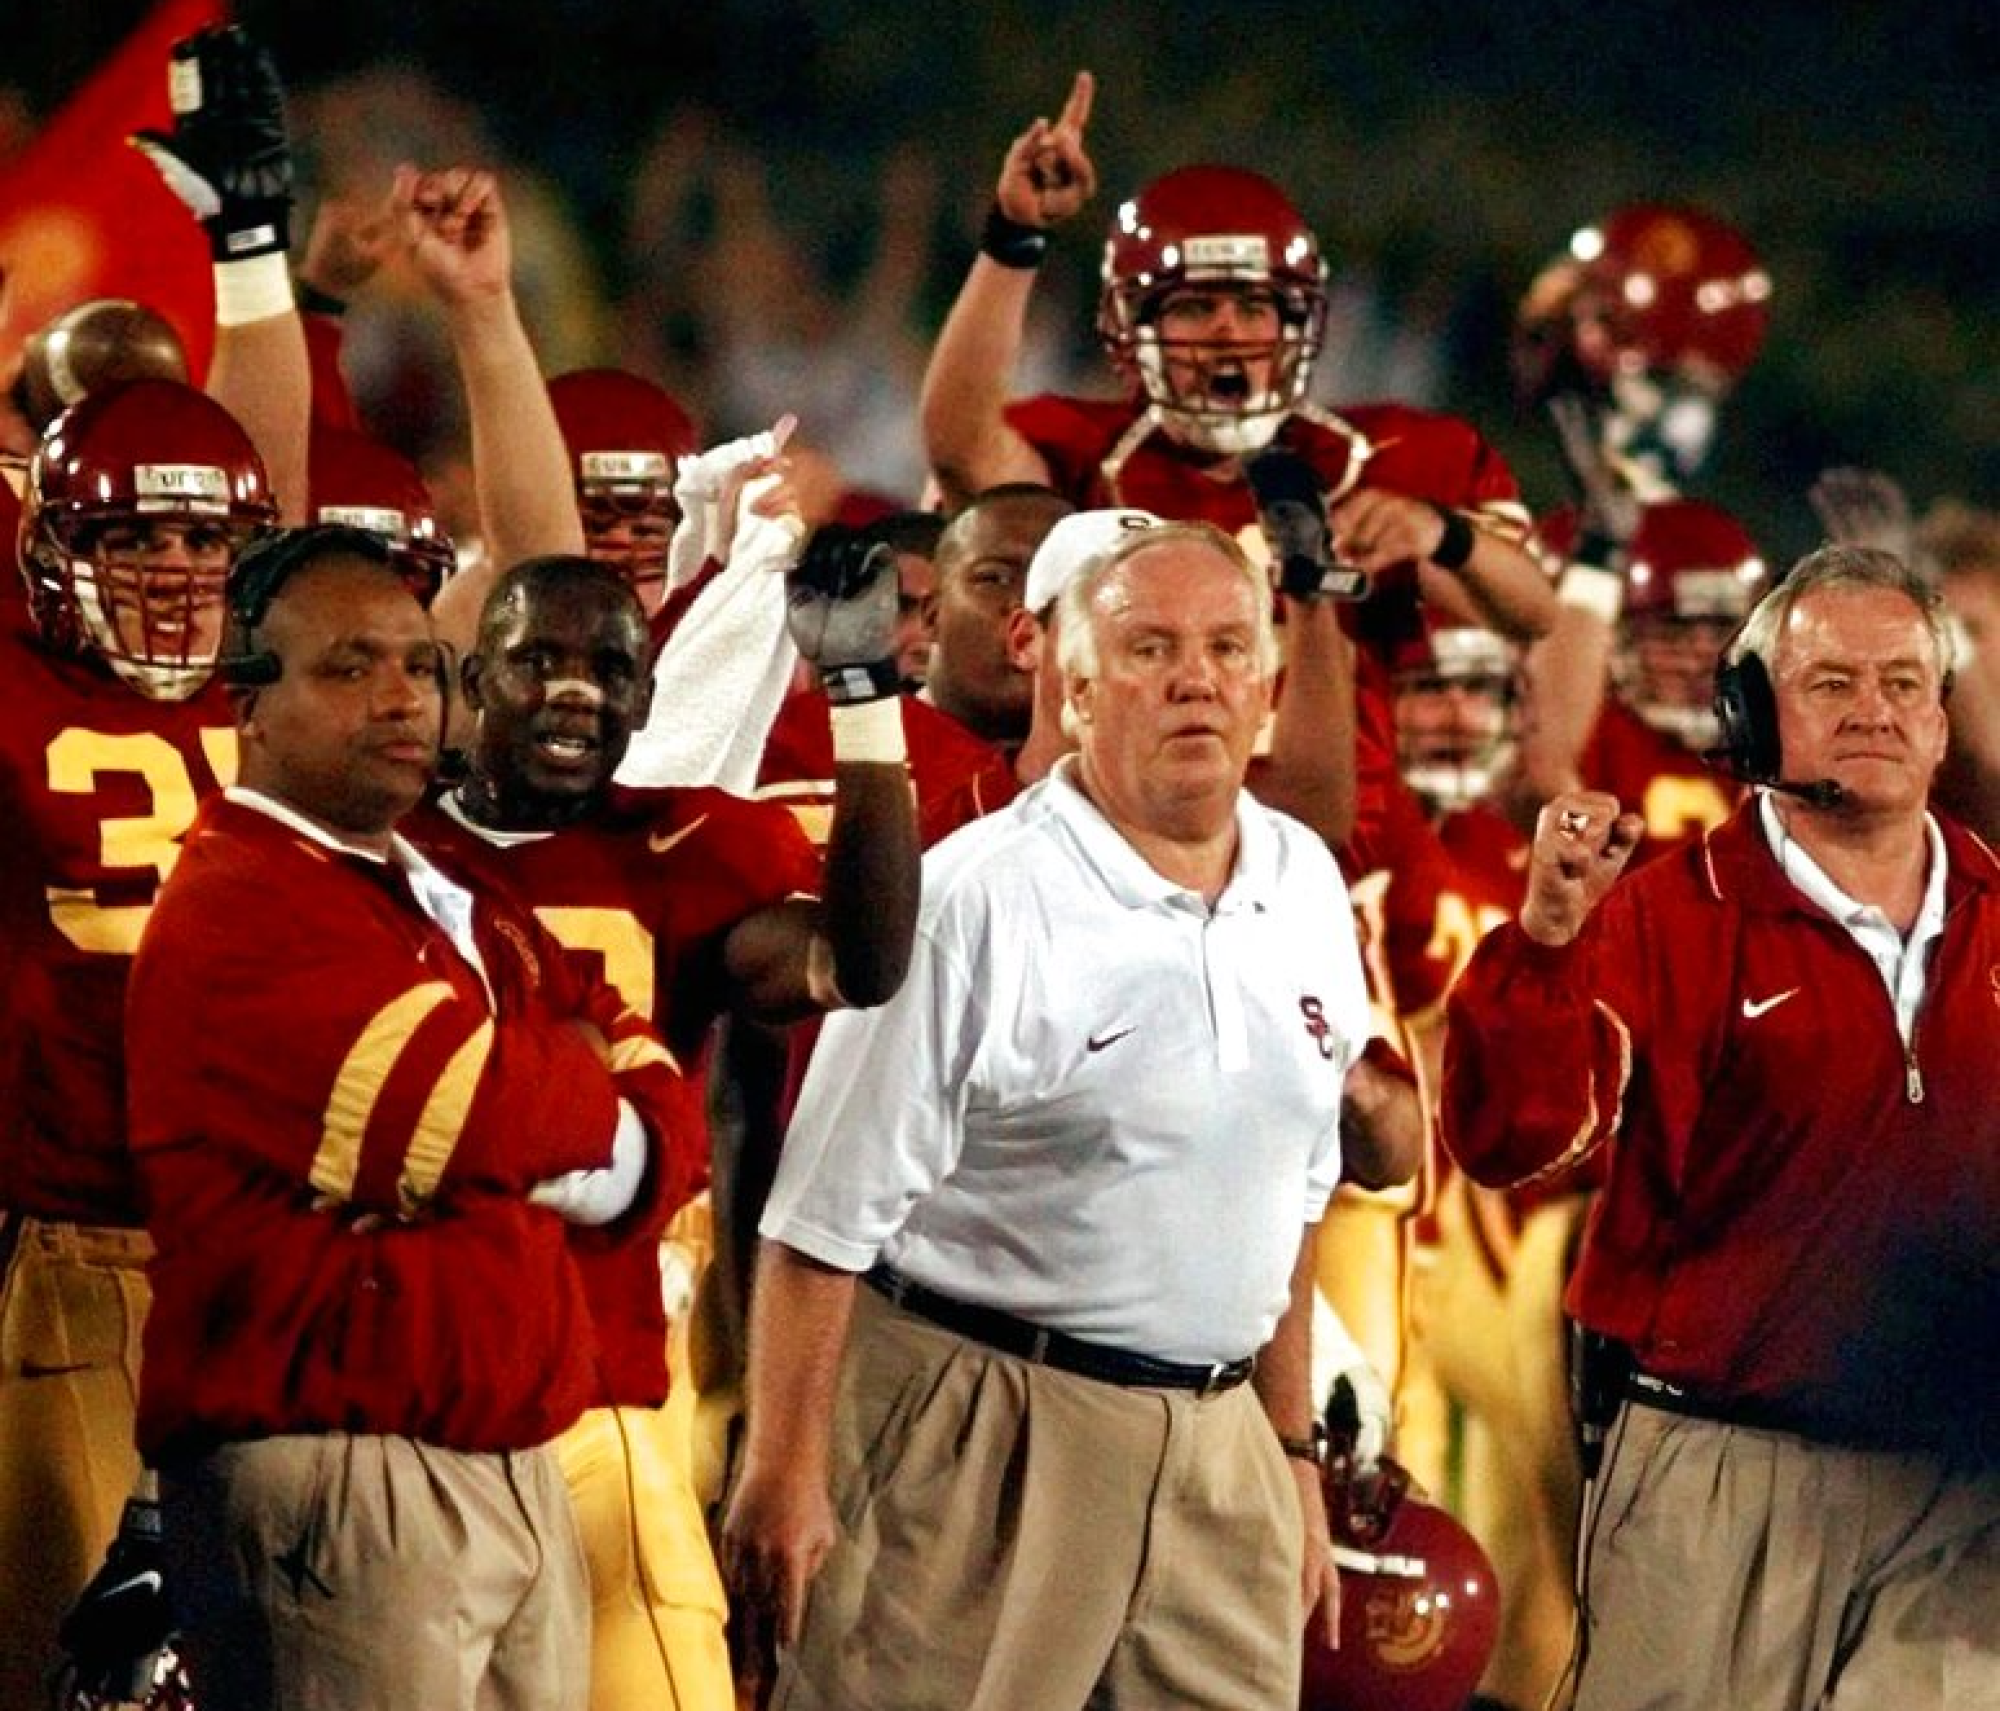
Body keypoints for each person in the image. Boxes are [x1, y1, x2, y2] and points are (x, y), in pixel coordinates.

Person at [723, 522, 1417, 1710]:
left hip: (1218, 1439)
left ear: (1266, 684)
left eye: (1223, 646)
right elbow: (820, 1217)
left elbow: (1291, 1200)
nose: (1194, 676)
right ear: (1077, 690)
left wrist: (1290, 1453)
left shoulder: (1302, 880)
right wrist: (781, 1472)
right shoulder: (975, 898)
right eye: (1149, 648)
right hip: (982, 1414)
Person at [124, 526, 698, 1710]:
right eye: (348, 666)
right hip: (340, 1473)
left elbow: (664, 1118)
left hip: (510, 1456)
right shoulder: (241, 898)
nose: (400, 696)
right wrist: (573, 1089)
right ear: (251, 705)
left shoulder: (450, 891)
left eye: (420, 666)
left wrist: (561, 1099)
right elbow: (467, 1120)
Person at [1441, 545, 1999, 1711]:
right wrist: (1545, 940)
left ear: (1942, 725)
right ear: (1749, 714)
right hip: (1714, 1459)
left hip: (1956, 1486)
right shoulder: (1658, 913)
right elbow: (1510, 1140)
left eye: (1902, 683)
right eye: (1828, 682)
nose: (1872, 712)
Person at [409, 548, 919, 1711]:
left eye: (608, 666)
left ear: (646, 700)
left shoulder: (684, 850)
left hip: (609, 1395)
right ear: (473, 677)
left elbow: (862, 960)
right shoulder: (386, 846)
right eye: (538, 659)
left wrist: (862, 701)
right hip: (410, 1399)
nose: (576, 690)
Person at [0, 378, 274, 1708]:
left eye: (204, 541)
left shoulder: (304, 699)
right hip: (75, 1236)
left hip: (272, 1260)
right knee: (76, 1658)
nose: (174, 568)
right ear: (56, 549)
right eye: (131, 540)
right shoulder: (15, 692)